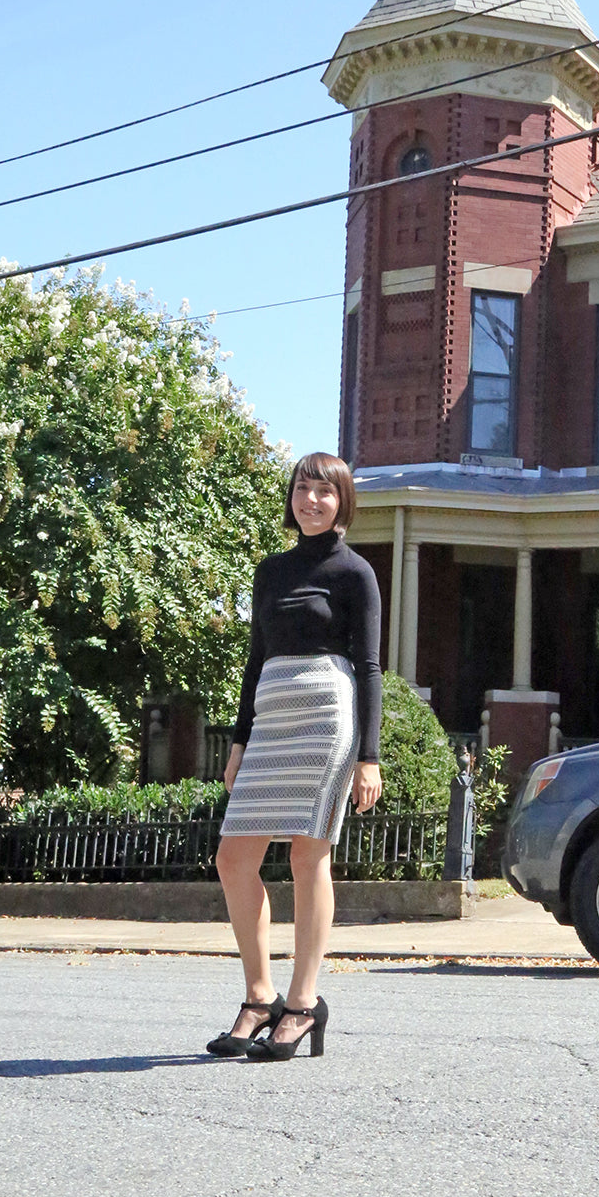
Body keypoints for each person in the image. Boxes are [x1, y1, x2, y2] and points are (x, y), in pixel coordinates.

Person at [206, 451, 382, 1061]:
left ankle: (303, 1004)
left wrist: (370, 756)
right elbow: (255, 659)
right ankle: (259, 997)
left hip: (326, 720)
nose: (311, 500)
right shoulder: (270, 571)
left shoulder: (354, 572)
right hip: (272, 721)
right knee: (234, 858)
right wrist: (239, 741)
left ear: (342, 502)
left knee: (309, 857)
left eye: (324, 492)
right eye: (302, 489)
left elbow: (369, 667)